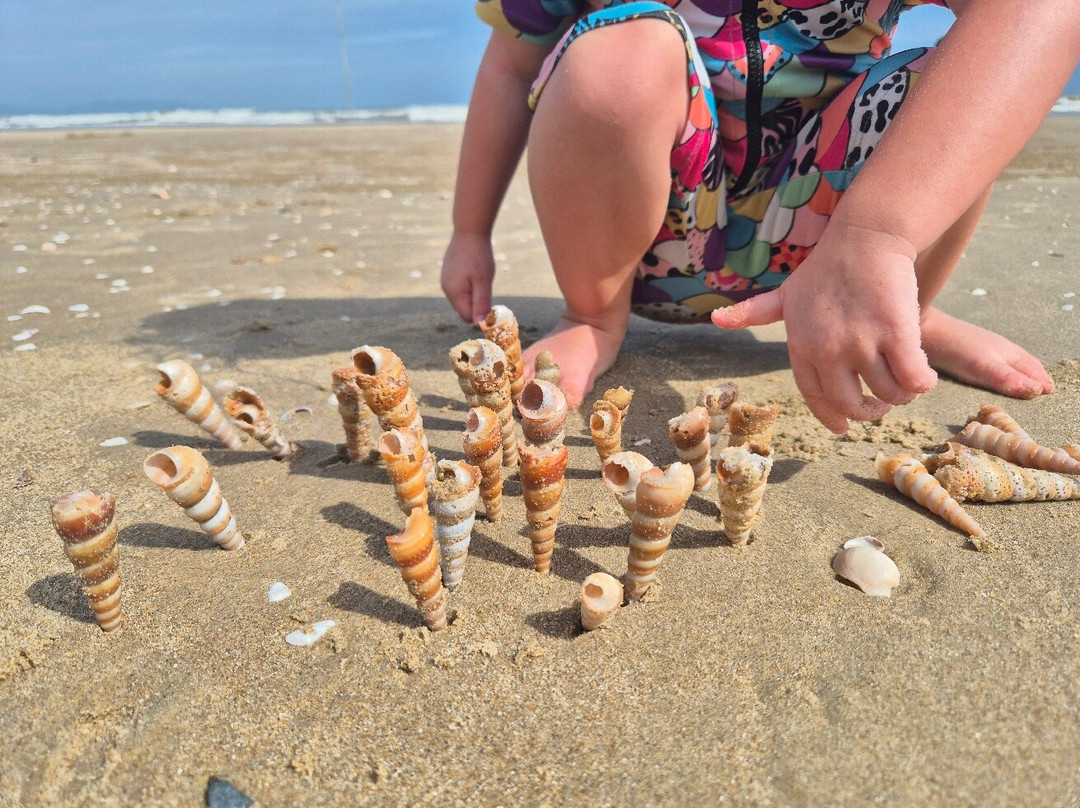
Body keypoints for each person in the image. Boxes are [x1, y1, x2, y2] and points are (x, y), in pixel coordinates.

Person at [440, 0, 1077, 432]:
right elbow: (510, 64)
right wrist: (469, 232)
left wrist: (880, 234)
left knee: (962, 88)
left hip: (829, 250)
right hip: (644, 248)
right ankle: (590, 318)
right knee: (621, 55)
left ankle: (906, 305)